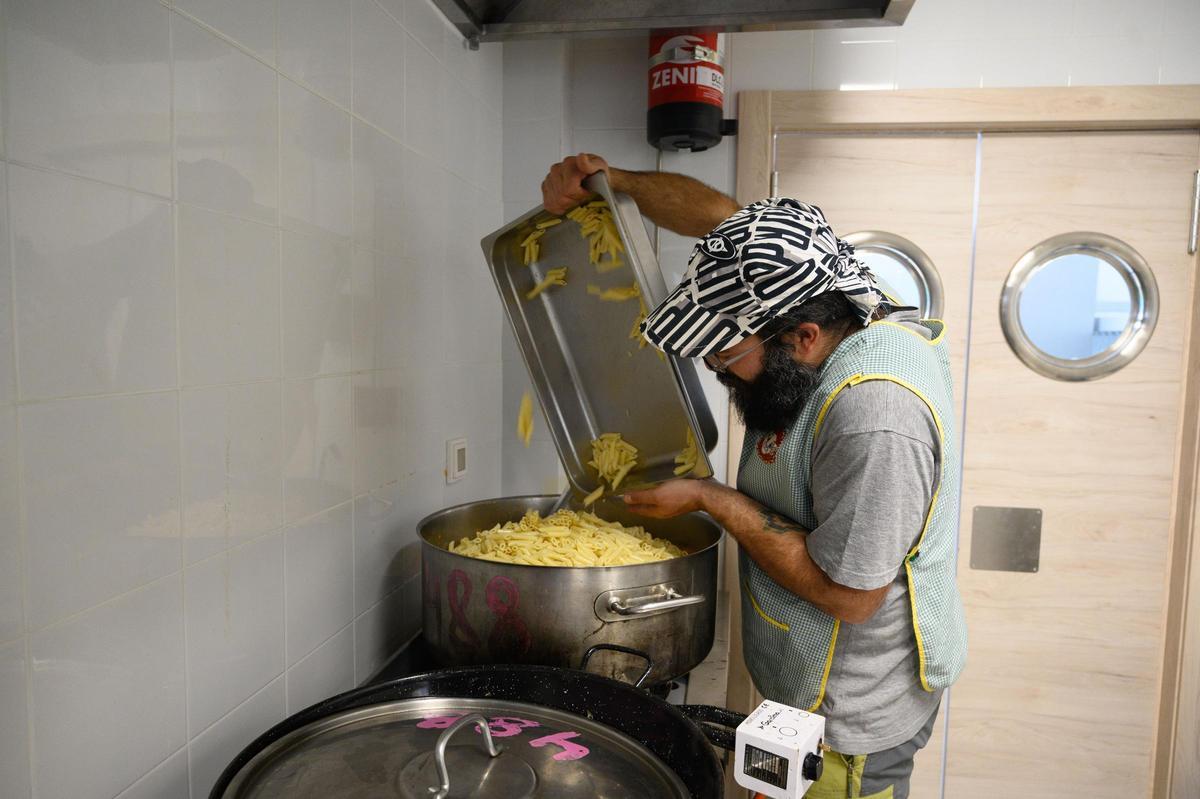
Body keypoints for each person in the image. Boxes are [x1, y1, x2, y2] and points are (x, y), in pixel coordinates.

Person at [542, 154, 968, 799]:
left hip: (846, 719)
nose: (716, 369)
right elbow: (720, 218)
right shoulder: (823, 284)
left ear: (800, 338)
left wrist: (711, 498)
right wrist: (616, 184)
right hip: (805, 683)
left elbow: (850, 597)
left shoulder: (874, 414)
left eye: (726, 353)